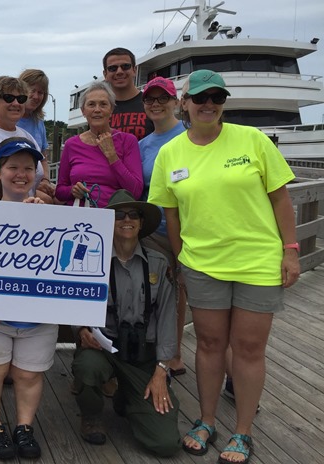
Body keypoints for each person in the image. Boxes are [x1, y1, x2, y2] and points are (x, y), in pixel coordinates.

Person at [149, 70, 300, 464]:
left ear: (223, 102)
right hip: (202, 265)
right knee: (210, 345)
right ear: (185, 102)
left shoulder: (252, 139)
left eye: (216, 97)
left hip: (257, 262)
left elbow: (281, 200)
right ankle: (207, 419)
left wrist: (291, 250)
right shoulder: (170, 154)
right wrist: (181, 258)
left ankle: (243, 431)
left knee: (249, 349)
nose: (208, 104)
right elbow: (172, 215)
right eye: (200, 98)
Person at [0, 137, 56, 461]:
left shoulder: (53, 217)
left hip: (37, 318)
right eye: (13, 167)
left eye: (28, 168)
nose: (21, 174)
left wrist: (44, 218)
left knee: (29, 375)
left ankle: (24, 426)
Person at [72, 189, 180, 456]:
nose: (126, 220)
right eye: (118, 215)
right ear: (110, 222)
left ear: (141, 223)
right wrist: (82, 329)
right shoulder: (90, 260)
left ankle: (127, 398)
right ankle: (92, 416)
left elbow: (168, 317)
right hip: (105, 350)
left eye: (133, 215)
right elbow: (74, 301)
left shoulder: (158, 263)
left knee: (164, 443)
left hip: (143, 356)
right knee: (87, 366)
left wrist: (161, 370)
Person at [137, 76, 187, 375]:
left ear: (176, 102)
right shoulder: (142, 145)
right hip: (155, 232)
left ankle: (176, 354)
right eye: (150, 99)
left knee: (182, 293)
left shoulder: (190, 138)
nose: (156, 104)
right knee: (160, 294)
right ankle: (160, 355)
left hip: (189, 231)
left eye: (163, 98)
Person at [55, 81, 143, 207]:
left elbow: (135, 191)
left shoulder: (128, 141)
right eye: (91, 104)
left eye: (103, 104)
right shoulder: (71, 144)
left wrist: (112, 156)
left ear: (111, 109)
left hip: (115, 216)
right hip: (80, 219)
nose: (97, 110)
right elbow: (59, 192)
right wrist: (72, 190)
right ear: (83, 111)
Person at [0, 76, 54, 202]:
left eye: (21, 99)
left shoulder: (28, 138)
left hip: (25, 215)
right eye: (9, 98)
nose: (16, 103)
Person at [102, 47, 153, 140]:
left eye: (125, 66)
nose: (119, 72)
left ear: (134, 70)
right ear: (105, 74)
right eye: (113, 68)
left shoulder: (151, 104)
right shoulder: (99, 108)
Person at [16, 69, 50, 158]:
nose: (36, 97)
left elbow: (43, 158)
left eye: (40, 93)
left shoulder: (39, 122)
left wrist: (46, 172)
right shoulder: (3, 118)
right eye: (32, 90)